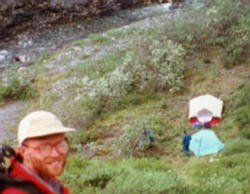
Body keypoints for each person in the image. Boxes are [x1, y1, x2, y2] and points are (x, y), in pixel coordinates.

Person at [0, 110, 75, 194]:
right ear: (23, 152)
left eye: (60, 144)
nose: (55, 154)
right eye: (45, 148)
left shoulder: (47, 182)